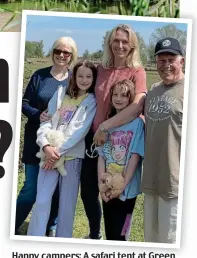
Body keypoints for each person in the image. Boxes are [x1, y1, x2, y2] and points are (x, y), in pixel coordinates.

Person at [81, 24, 147, 239]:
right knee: (95, 190)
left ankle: (121, 239)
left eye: (125, 41)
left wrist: (105, 126)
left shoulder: (137, 72)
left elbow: (137, 107)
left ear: (132, 45)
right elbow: (82, 89)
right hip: (97, 141)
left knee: (123, 193)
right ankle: (97, 233)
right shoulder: (100, 69)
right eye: (116, 40)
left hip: (125, 142)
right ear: (110, 42)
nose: (120, 45)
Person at [27, 60, 97, 238]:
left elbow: (79, 132)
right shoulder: (60, 94)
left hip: (71, 158)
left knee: (67, 205)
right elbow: (47, 122)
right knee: (42, 200)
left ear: (94, 79)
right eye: (80, 75)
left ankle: (62, 241)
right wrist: (46, 145)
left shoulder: (91, 101)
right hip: (48, 156)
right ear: (73, 77)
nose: (84, 79)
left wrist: (57, 152)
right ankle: (34, 238)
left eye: (88, 76)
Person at [15, 36, 78, 235]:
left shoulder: (74, 80)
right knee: (30, 189)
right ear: (52, 53)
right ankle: (11, 226)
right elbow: (24, 102)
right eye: (58, 51)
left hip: (61, 145)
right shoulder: (39, 76)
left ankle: (51, 226)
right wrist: (36, 114)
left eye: (66, 52)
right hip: (36, 140)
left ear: (71, 56)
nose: (61, 55)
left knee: (57, 190)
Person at [141, 37, 185, 243]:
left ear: (181, 61)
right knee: (151, 236)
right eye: (161, 60)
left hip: (174, 180)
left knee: (170, 240)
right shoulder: (153, 90)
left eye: (171, 60)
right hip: (151, 175)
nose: (166, 65)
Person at [97, 79, 144, 241]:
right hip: (108, 185)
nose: (118, 98)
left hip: (128, 189)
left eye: (124, 95)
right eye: (115, 95)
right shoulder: (107, 124)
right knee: (110, 230)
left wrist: (122, 186)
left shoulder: (137, 124)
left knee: (122, 232)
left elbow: (135, 157)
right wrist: (101, 184)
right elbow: (101, 156)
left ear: (130, 100)